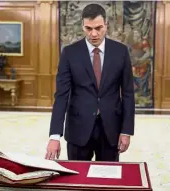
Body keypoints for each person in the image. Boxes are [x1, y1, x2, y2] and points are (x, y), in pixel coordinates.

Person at [45, 4, 135, 162]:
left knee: (108, 182)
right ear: (82, 26)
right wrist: (54, 136)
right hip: (78, 130)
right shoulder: (69, 53)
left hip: (111, 129)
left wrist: (126, 131)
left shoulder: (121, 52)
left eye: (99, 28)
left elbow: (127, 94)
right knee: (78, 181)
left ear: (106, 25)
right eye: (88, 28)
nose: (94, 34)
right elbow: (61, 96)